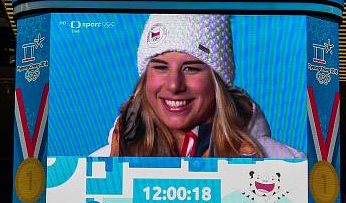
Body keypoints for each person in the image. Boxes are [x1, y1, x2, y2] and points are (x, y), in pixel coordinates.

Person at [91, 13, 304, 158]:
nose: (174, 85)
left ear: (217, 81)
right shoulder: (99, 165)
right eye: (161, 67)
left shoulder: (283, 165)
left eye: (191, 68)